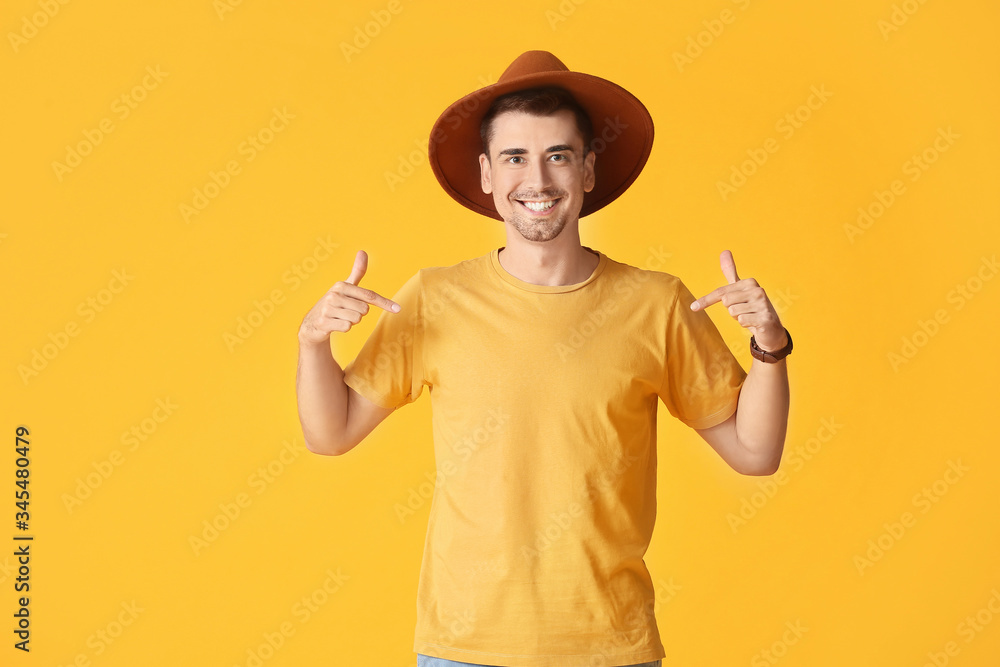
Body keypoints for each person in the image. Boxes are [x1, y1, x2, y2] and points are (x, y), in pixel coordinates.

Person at [296, 50, 792, 667]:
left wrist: (770, 346)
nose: (538, 179)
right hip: (465, 650)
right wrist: (313, 343)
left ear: (587, 169)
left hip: (612, 649)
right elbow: (330, 432)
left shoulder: (655, 303)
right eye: (515, 157)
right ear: (486, 174)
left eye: (558, 155)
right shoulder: (434, 298)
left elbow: (755, 452)